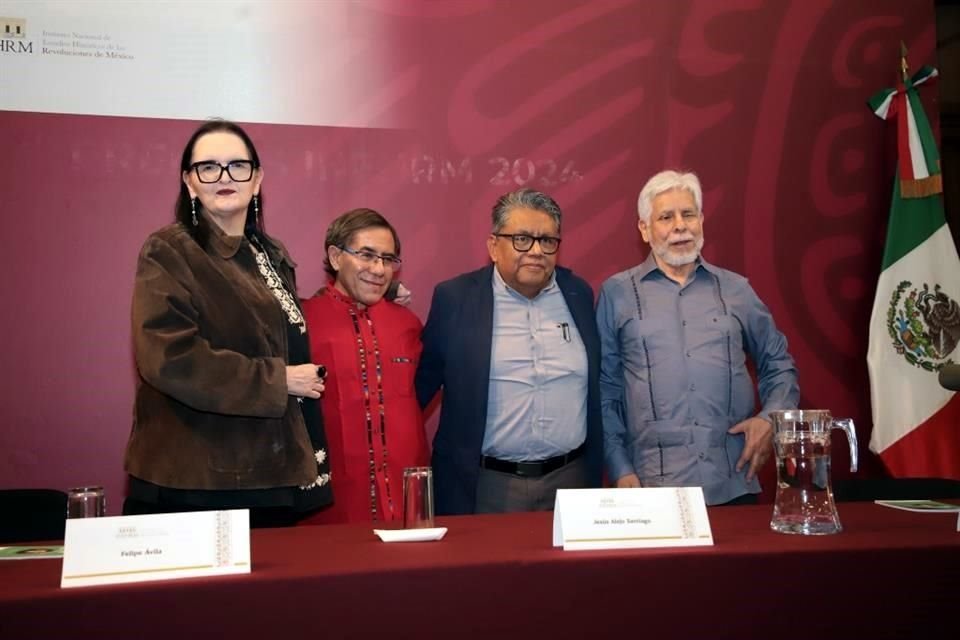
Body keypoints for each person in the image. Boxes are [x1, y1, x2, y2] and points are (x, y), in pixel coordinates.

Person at [123, 119, 332, 526]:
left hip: (269, 476)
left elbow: (279, 327)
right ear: (189, 182)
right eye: (208, 167)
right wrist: (278, 380)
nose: (224, 176)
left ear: (256, 181)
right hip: (197, 482)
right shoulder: (169, 249)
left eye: (238, 165)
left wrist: (366, 291)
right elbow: (170, 358)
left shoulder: (270, 252)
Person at [596, 170, 799, 505]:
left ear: (702, 221)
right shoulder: (616, 294)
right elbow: (606, 389)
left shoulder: (737, 290)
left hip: (733, 481)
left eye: (688, 214)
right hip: (650, 487)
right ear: (644, 229)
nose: (680, 226)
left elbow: (779, 365)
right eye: (666, 217)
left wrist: (770, 419)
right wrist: (618, 467)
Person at [416, 188, 603, 515]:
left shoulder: (578, 294)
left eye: (547, 241)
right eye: (521, 239)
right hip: (485, 485)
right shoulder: (456, 299)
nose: (535, 251)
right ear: (493, 246)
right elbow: (419, 387)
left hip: (571, 482)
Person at [300, 209, 428, 524]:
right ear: (334, 256)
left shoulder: (407, 324)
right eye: (367, 256)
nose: (379, 269)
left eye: (388, 259)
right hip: (328, 507)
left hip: (405, 504)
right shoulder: (302, 322)